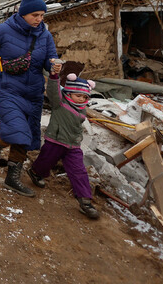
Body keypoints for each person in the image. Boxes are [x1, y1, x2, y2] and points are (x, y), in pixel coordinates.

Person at [0, 0, 58, 196]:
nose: (39, 19)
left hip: (33, 92)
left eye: (42, 15)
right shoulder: (3, 30)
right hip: (7, 87)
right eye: (35, 15)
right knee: (17, 129)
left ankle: (12, 178)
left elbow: (50, 59)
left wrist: (54, 66)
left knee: (27, 135)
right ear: (23, 14)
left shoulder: (45, 36)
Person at [27, 71, 100, 219]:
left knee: (79, 171)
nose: (81, 99)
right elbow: (53, 90)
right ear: (69, 93)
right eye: (78, 96)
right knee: (45, 161)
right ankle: (35, 173)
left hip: (73, 146)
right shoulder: (60, 103)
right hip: (55, 140)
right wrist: (54, 76)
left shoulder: (81, 109)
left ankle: (85, 201)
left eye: (84, 97)